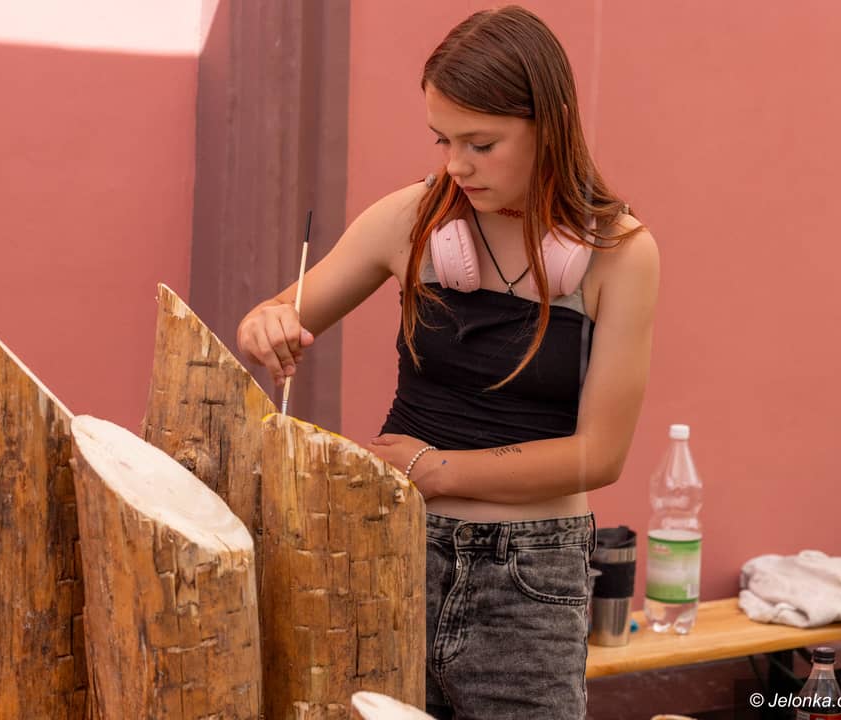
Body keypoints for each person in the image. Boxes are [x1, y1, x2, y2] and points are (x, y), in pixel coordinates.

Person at [236, 6, 658, 718]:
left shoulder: (620, 255)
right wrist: (265, 325)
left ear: (551, 124)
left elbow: (600, 456)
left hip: (531, 577)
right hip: (391, 548)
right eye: (443, 140)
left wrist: (435, 470)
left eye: (481, 144)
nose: (456, 165)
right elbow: (278, 313)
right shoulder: (412, 218)